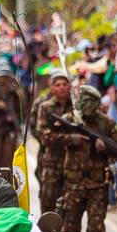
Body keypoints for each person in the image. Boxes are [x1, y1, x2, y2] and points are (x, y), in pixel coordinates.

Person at [59, 86, 117, 232]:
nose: (87, 105)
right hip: (73, 184)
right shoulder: (69, 119)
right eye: (84, 100)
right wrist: (71, 137)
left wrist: (105, 148)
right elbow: (47, 138)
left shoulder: (106, 123)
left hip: (97, 184)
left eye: (91, 102)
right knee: (69, 228)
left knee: (96, 229)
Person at [33, 70, 74, 216]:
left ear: (69, 86)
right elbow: (43, 135)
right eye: (58, 85)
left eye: (64, 84)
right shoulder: (45, 107)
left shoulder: (76, 108)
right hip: (51, 162)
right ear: (52, 87)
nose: (62, 87)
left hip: (73, 164)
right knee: (48, 200)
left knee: (70, 203)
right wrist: (70, 139)